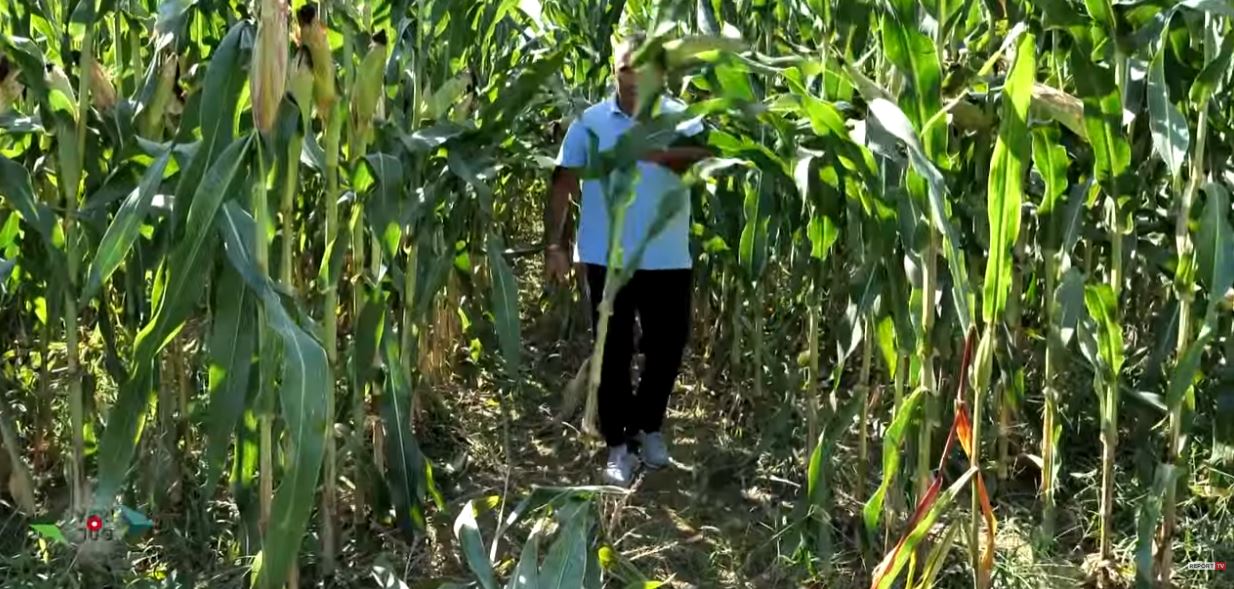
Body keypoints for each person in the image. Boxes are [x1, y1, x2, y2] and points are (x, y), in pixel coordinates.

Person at [545, 31, 712, 487]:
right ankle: (618, 444)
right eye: (625, 69)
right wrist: (555, 245)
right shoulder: (590, 123)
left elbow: (702, 168)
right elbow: (562, 183)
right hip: (606, 256)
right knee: (613, 352)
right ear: (614, 71)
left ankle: (648, 427)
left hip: (666, 256)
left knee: (668, 347)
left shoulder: (684, 119)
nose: (634, 79)